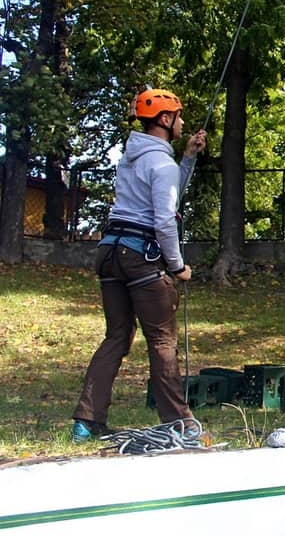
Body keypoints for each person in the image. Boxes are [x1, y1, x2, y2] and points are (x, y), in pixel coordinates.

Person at [72, 88, 207, 442]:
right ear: (165, 119)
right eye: (178, 116)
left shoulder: (131, 158)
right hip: (141, 256)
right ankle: (179, 423)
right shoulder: (161, 164)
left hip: (109, 251)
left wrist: (188, 158)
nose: (182, 123)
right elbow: (164, 219)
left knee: (117, 336)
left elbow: (168, 194)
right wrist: (177, 266)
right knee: (161, 339)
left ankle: (86, 421)